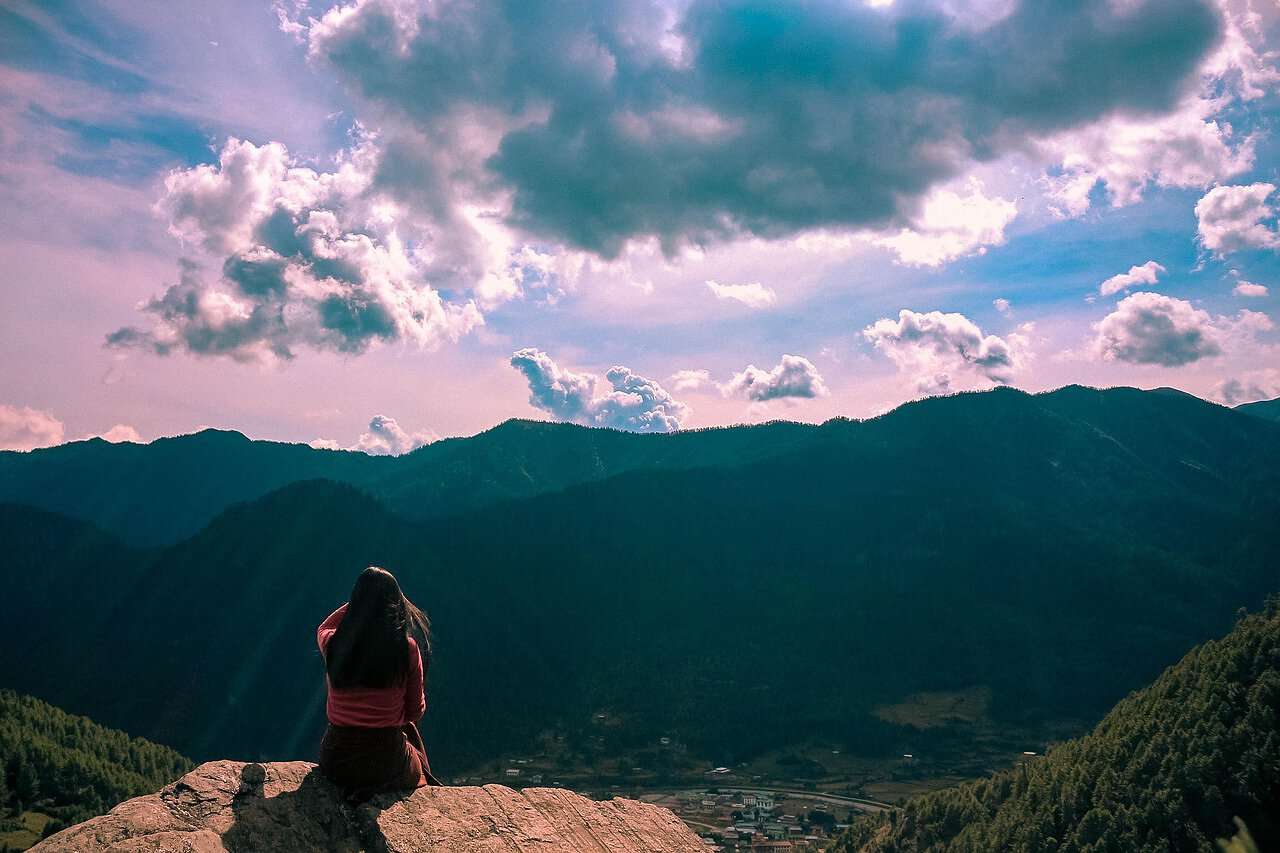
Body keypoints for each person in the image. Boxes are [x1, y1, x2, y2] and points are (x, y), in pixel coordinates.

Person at [316, 566, 441, 795]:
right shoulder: (406, 650)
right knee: (410, 734)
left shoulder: (333, 644)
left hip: (336, 761)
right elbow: (414, 711)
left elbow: (325, 626)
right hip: (386, 763)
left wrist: (360, 604)